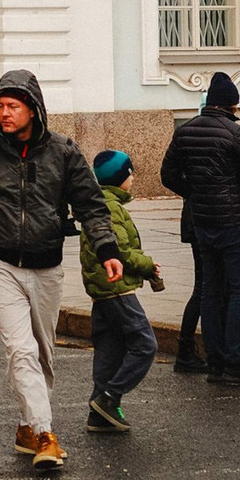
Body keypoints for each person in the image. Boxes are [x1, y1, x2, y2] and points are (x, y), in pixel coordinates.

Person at [0, 70, 122, 473]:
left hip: (47, 267)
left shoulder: (63, 152)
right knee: (20, 350)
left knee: (43, 355)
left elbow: (91, 205)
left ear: (33, 110)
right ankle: (45, 434)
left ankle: (26, 427)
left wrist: (107, 248)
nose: (4, 114)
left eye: (13, 107)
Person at [160, 72, 240, 387]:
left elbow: (167, 174)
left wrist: (195, 194)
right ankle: (236, 360)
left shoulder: (186, 131)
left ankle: (215, 363)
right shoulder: (236, 133)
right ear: (232, 105)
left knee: (210, 290)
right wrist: (238, 197)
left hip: (202, 222)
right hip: (232, 223)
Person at [81, 151, 163, 431]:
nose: (133, 177)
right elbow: (122, 252)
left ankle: (99, 414)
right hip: (116, 287)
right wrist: (148, 265)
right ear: (119, 178)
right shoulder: (111, 208)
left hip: (102, 290)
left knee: (109, 350)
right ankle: (109, 397)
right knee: (145, 345)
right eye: (130, 172)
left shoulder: (102, 202)